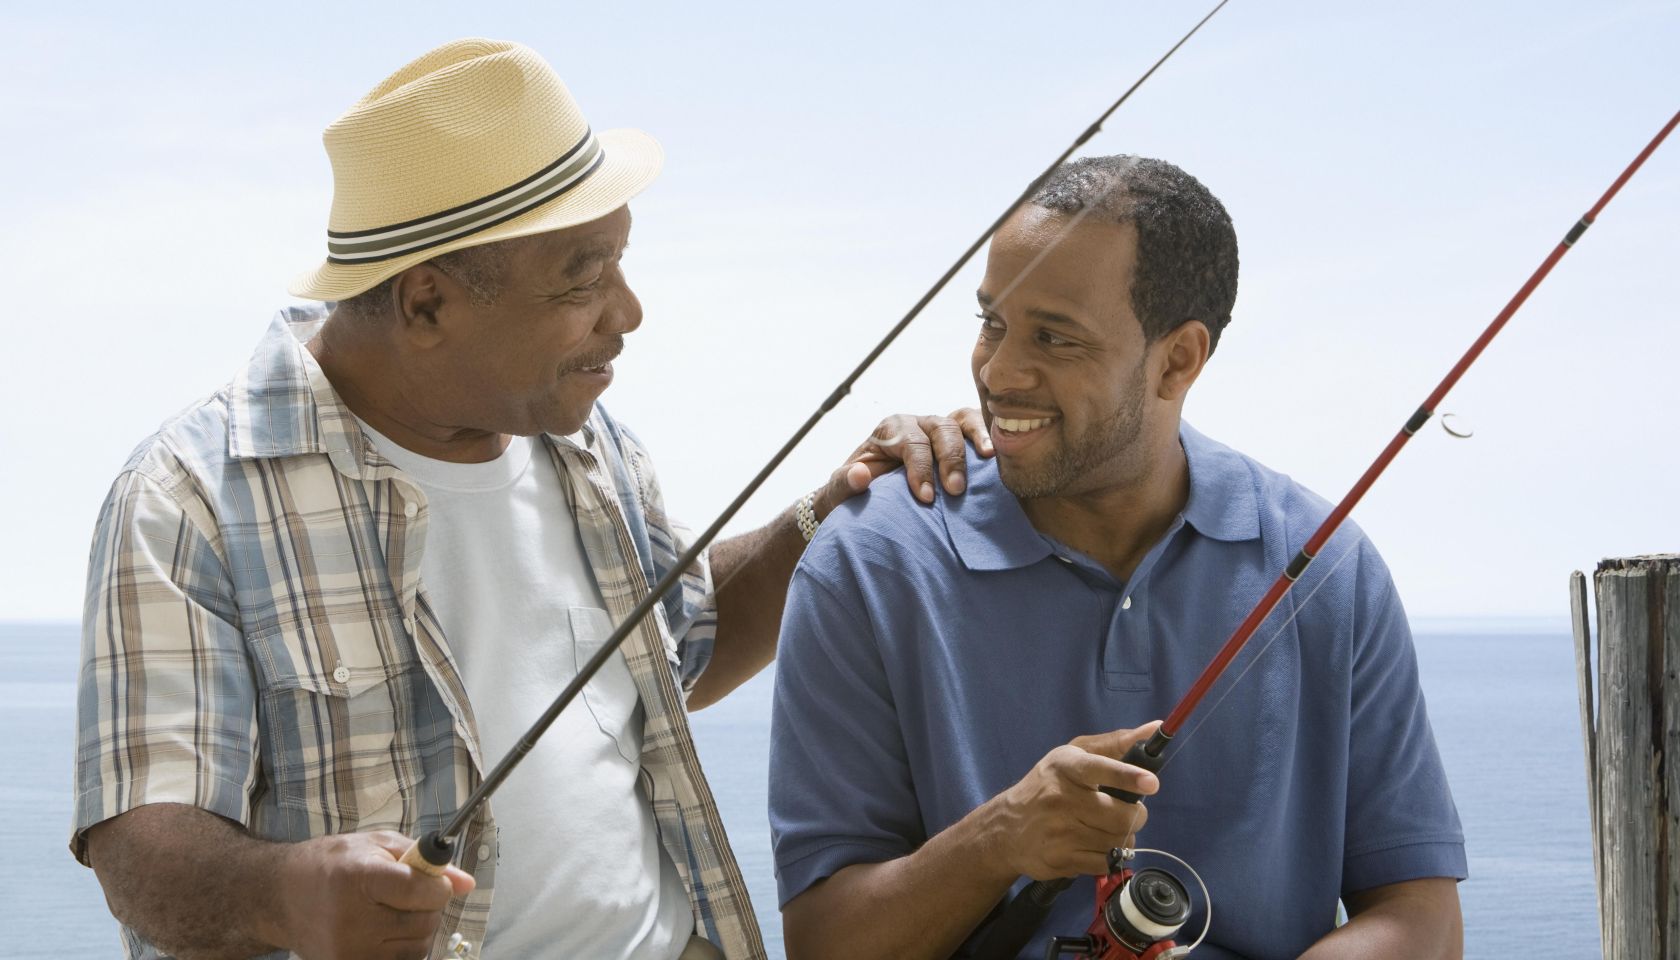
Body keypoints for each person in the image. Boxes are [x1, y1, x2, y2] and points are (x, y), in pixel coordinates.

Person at [71, 38, 988, 960]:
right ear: (426, 304)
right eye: (584, 278)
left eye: (620, 264)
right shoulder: (186, 497)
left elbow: (688, 646)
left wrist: (833, 507)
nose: (628, 312)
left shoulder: (586, 438)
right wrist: (282, 895)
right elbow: (138, 852)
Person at [769, 155, 1467, 960]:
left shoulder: (1330, 566)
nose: (999, 371)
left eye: (1054, 337)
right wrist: (1000, 838)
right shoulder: (866, 562)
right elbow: (823, 943)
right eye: (992, 322)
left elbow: (1421, 919)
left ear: (1179, 359)